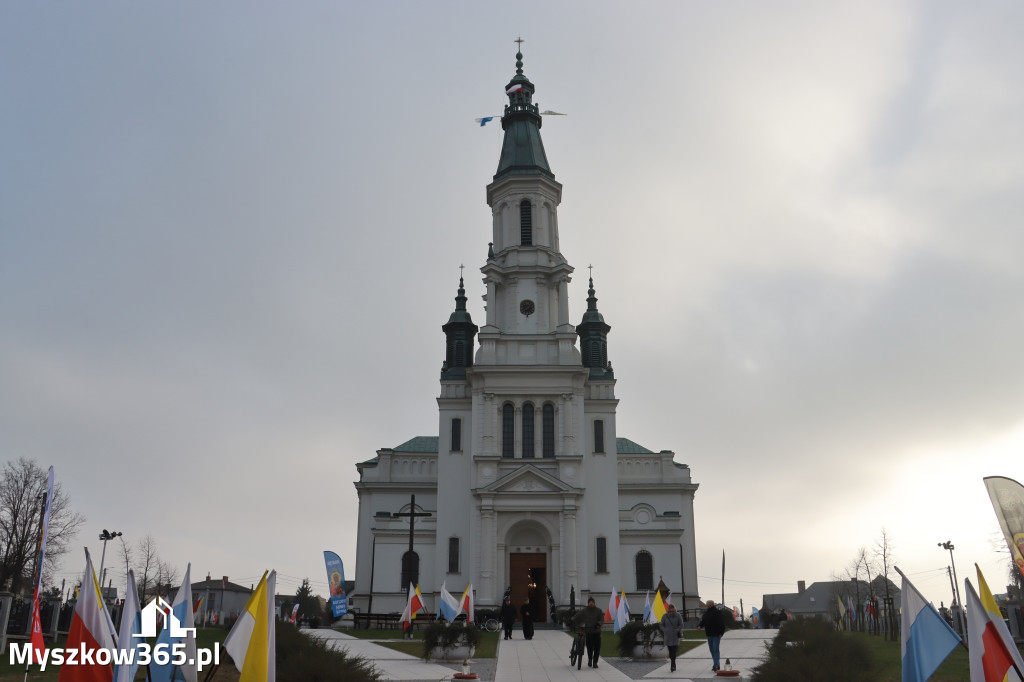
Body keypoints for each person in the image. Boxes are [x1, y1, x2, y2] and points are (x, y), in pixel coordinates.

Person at [573, 596, 605, 668]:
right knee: (589, 648)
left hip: (596, 632)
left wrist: (598, 624)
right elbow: (577, 616)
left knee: (597, 648)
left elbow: (602, 619)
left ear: (594, 603)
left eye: (592, 602)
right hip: (589, 632)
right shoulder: (584, 610)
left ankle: (595, 662)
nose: (591, 603)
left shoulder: (599, 611)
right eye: (589, 602)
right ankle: (590, 659)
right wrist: (573, 620)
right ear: (588, 603)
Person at [697, 599, 726, 672]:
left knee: (715, 650)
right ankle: (716, 664)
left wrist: (721, 633)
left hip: (716, 635)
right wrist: (700, 626)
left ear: (710, 605)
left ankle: (716, 665)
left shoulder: (717, 613)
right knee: (712, 650)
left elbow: (722, 623)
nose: (706, 606)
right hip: (709, 634)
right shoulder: (706, 614)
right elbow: (703, 621)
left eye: (706, 605)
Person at [659, 602, 685, 672]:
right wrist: (665, 630)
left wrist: (677, 629)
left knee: (674, 650)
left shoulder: (678, 615)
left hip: (675, 636)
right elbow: (661, 625)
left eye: (673, 611)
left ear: (675, 610)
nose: (671, 613)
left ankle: (672, 664)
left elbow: (681, 624)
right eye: (670, 611)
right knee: (670, 652)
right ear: (668, 610)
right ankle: (673, 663)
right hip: (668, 636)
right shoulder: (665, 616)